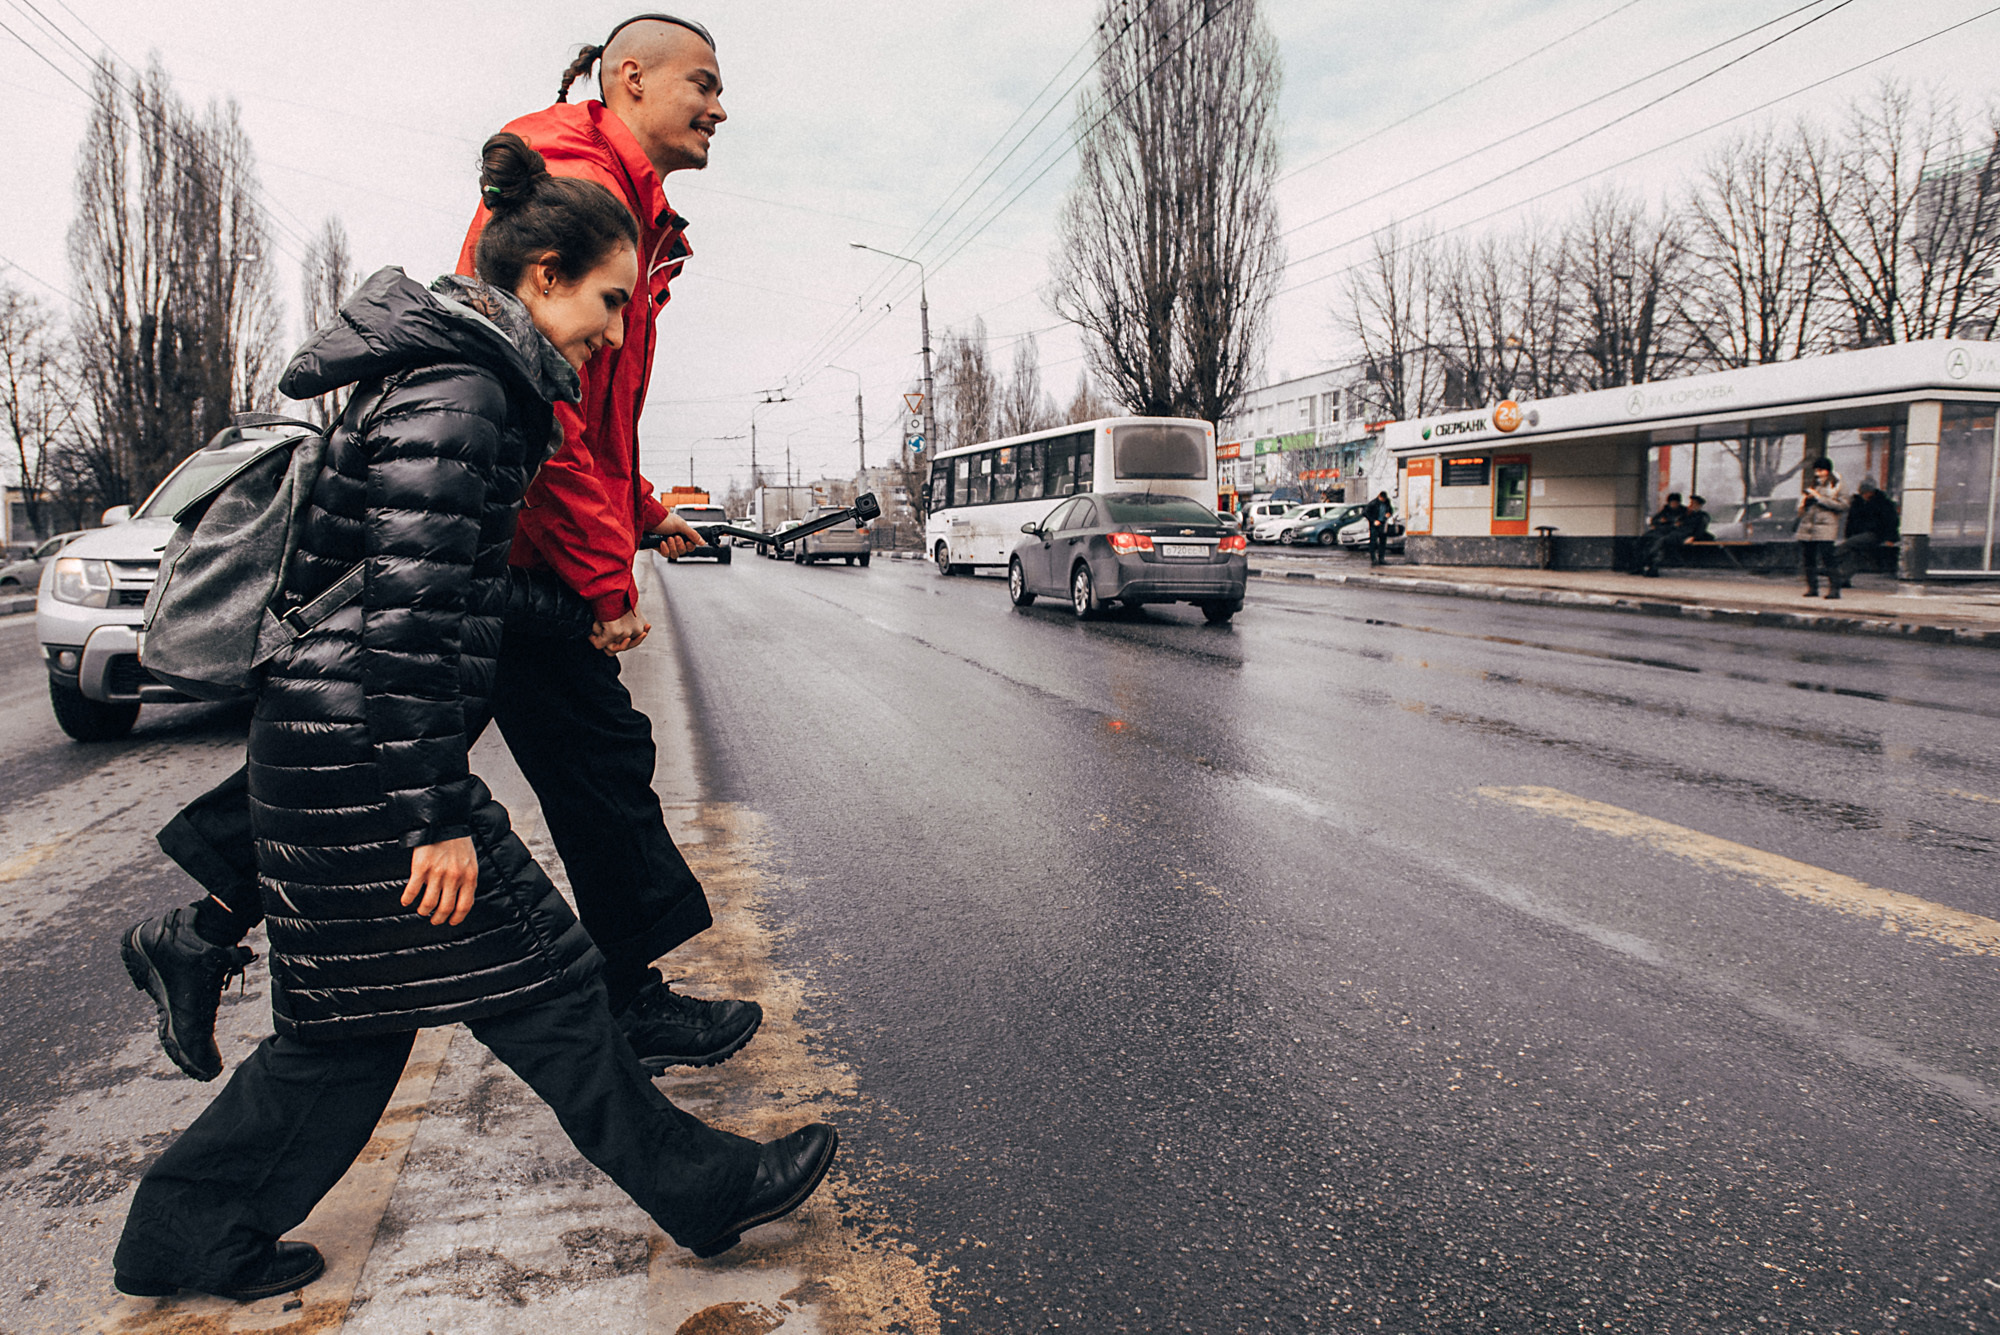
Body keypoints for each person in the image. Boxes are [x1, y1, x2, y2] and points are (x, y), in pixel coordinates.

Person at [111, 136, 834, 1304]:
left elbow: (443, 582)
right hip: (365, 758)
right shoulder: (465, 393)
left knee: (348, 1030)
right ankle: (701, 1188)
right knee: (545, 979)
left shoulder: (463, 381)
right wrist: (434, 815)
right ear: (544, 274)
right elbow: (401, 618)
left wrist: (567, 607)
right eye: (607, 300)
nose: (611, 329)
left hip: (333, 744)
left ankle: (188, 1231)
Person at [124, 13, 756, 1087]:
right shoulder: (575, 182)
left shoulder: (628, 204)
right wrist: (603, 573)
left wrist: (642, 508)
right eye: (702, 81)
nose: (719, 105)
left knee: (423, 746)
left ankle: (200, 925)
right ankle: (622, 1000)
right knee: (575, 753)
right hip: (506, 538)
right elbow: (539, 407)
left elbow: (592, 409)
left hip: (522, 531)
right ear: (631, 77)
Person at [1796, 457, 1849, 599]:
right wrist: (1805, 502)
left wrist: (1819, 499)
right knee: (1808, 559)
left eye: (1821, 470)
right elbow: (1801, 509)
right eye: (1816, 471)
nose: (1818, 474)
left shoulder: (1837, 485)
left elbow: (1843, 505)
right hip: (1808, 527)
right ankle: (1812, 588)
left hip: (1826, 527)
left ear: (1828, 470)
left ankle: (1834, 589)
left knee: (1828, 558)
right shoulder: (1814, 485)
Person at [1836, 475, 1899, 589]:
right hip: (1858, 534)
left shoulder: (1883, 503)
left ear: (1871, 492)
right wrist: (1849, 535)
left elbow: (1891, 521)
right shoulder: (1857, 502)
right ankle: (1844, 578)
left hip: (1875, 534)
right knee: (1854, 554)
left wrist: (1891, 538)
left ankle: (1831, 560)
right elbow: (1850, 521)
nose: (1864, 495)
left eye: (1866, 492)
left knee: (1848, 546)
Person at [1637, 493, 1710, 577]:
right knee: (1658, 543)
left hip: (1684, 535)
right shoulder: (1688, 514)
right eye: (1691, 503)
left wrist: (1693, 537)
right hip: (1677, 534)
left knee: (1661, 542)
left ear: (1699, 505)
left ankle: (1651, 564)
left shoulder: (1702, 516)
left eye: (1693, 504)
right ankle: (1651, 565)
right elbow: (1675, 523)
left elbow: (1701, 529)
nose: (1690, 505)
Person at [1363, 490, 1394, 566]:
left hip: (1383, 523)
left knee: (1383, 542)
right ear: (1379, 497)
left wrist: (1389, 513)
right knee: (1373, 542)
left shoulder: (1387, 502)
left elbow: (1390, 509)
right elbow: (1364, 512)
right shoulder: (1373, 503)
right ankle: (1373, 559)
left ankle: (1381, 558)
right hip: (1375, 525)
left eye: (1385, 499)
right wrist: (1373, 521)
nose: (1384, 500)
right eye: (1382, 499)